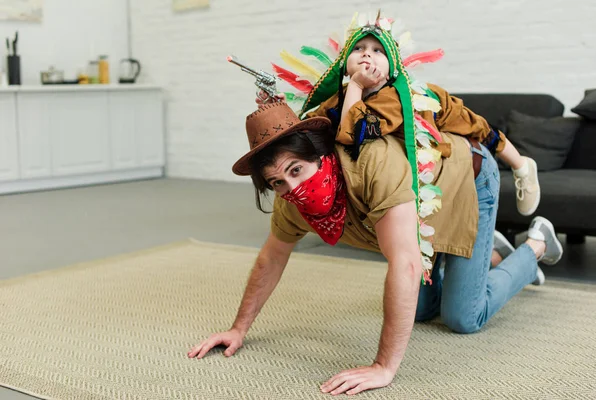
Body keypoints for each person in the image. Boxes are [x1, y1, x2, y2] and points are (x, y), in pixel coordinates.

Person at [187, 101, 563, 396]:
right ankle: (486, 251)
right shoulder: (293, 200)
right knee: (421, 310)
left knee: (464, 318)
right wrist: (238, 329)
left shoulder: (375, 165)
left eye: (296, 169)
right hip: (417, 209)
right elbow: (272, 257)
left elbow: (405, 264)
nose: (291, 186)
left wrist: (383, 366)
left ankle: (535, 245)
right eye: (278, 182)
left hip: (468, 176)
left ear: (322, 154)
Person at [269, 12, 540, 216]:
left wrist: (357, 85)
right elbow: (312, 124)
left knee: (478, 127)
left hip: (434, 106)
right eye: (359, 49)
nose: (367, 55)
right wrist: (277, 106)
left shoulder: (392, 98)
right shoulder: (340, 96)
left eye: (377, 51)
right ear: (345, 64)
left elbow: (357, 133)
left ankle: (521, 166)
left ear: (391, 68)